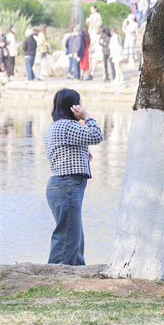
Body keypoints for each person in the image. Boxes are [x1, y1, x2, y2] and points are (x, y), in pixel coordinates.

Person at [44, 88, 104, 265]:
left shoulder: (56, 127)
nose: (81, 106)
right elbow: (96, 135)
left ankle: (77, 273)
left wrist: (82, 154)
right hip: (67, 185)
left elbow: (62, 152)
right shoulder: (66, 126)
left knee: (73, 235)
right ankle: (55, 276)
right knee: (67, 236)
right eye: (79, 103)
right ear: (72, 107)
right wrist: (87, 116)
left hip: (62, 185)